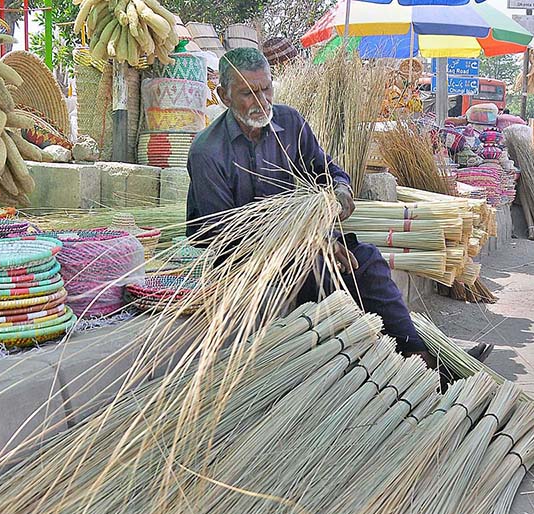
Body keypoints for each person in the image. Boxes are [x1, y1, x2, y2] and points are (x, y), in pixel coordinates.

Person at [185, 48, 492, 369]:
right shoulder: (208, 152)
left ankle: (419, 355)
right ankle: (390, 367)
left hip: (309, 244)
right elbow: (226, 237)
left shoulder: (288, 122)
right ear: (223, 95)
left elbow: (327, 170)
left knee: (367, 262)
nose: (261, 101)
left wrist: (341, 189)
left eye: (266, 89)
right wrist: (312, 243)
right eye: (248, 93)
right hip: (247, 262)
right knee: (328, 277)